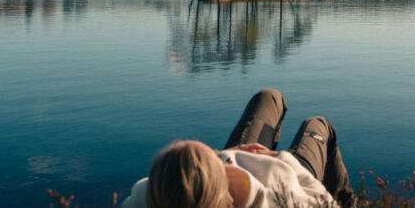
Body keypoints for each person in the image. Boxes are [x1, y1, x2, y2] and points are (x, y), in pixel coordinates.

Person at [121, 88, 353, 207]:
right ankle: (352, 201)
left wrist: (230, 156)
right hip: (288, 168)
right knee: (318, 125)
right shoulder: (279, 196)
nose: (220, 157)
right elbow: (324, 202)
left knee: (269, 97)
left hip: (244, 157)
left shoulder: (147, 197)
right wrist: (280, 157)